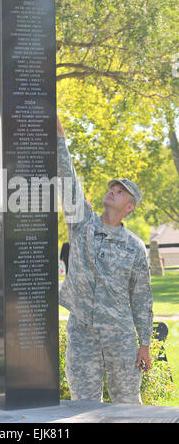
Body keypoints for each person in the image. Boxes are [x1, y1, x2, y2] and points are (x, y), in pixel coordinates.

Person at [57, 116, 153, 404]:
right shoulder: (82, 223)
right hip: (82, 331)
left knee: (127, 404)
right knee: (83, 403)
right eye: (113, 187)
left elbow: (142, 299)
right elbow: (67, 178)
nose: (112, 190)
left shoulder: (135, 247)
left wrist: (145, 344)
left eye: (120, 191)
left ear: (129, 206)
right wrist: (59, 135)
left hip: (120, 336)